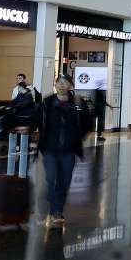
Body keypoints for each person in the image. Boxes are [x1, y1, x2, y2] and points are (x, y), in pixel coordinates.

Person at [37, 75, 93, 229]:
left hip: (69, 150)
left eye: (65, 83)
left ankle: (57, 209)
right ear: (55, 85)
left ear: (70, 86)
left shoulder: (78, 103)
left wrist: (77, 138)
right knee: (51, 178)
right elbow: (37, 120)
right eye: (59, 83)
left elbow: (88, 123)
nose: (61, 85)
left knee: (65, 181)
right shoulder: (47, 102)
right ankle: (55, 211)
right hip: (50, 149)